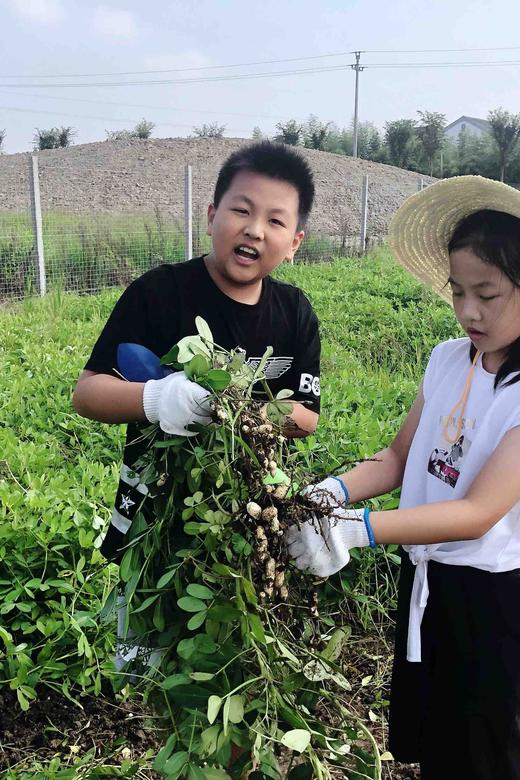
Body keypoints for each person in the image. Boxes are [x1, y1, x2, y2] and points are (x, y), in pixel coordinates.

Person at [287, 176, 520, 780]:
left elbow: (478, 512)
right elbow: (397, 458)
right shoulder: (446, 359)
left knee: (488, 744)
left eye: (488, 294)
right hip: (425, 581)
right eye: (458, 291)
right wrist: (332, 494)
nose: (469, 310)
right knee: (438, 733)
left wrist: (358, 529)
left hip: (493, 601)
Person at [73, 140, 321, 669]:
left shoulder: (295, 313)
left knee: (232, 655)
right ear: (211, 215)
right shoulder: (159, 293)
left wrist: (237, 412)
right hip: (155, 513)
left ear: (295, 242)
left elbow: (305, 416)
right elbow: (88, 392)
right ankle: (144, 720)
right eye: (241, 210)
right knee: (145, 661)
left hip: (247, 521)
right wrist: (158, 397)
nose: (255, 229)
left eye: (276, 221)